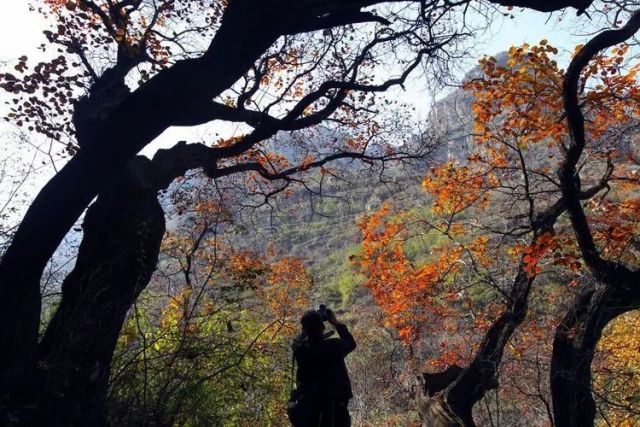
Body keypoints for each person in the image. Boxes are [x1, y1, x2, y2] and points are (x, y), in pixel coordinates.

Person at [289, 307, 356, 427]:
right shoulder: (334, 346)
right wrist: (335, 322)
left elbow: (299, 341)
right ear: (323, 327)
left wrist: (311, 322)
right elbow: (351, 343)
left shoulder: (300, 351)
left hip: (310, 410)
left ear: (304, 329)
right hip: (335, 409)